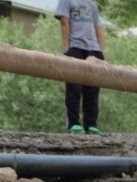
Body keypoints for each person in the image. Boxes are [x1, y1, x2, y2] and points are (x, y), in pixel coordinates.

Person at [55, 0, 105, 134]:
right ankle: (74, 123)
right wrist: (67, 49)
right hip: (76, 46)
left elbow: (98, 28)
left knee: (93, 89)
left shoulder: (92, 4)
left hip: (93, 49)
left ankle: (91, 124)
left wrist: (101, 51)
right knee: (73, 87)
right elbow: (64, 22)